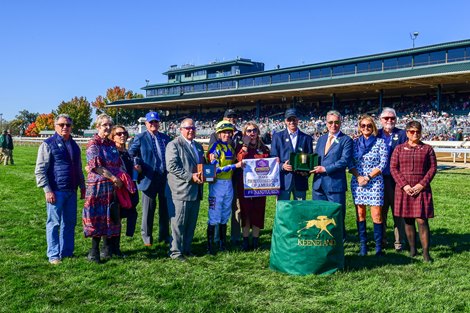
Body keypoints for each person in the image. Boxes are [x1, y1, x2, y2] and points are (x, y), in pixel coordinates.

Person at [83, 114, 136, 263]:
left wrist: (120, 178)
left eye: (109, 125)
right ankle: (94, 252)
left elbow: (118, 163)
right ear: (98, 126)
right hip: (98, 187)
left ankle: (108, 250)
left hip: (113, 187)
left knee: (111, 216)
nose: (107, 127)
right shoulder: (93, 144)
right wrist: (114, 178)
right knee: (97, 217)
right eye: (104, 125)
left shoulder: (111, 145)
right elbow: (97, 167)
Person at [35, 114, 85, 264]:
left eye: (68, 125)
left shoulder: (75, 145)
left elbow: (78, 168)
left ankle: (67, 252)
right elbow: (40, 169)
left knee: (69, 223)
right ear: (55, 126)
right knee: (54, 224)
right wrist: (47, 190)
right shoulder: (47, 144)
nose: (65, 127)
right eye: (62, 124)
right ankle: (54, 255)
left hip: (71, 190)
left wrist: (82, 186)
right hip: (56, 190)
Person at [390, 121, 437, 262]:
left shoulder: (427, 149)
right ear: (407, 133)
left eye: (417, 131)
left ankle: (426, 253)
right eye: (411, 131)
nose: (415, 134)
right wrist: (404, 185)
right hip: (404, 189)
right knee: (408, 220)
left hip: (421, 189)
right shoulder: (398, 149)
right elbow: (393, 168)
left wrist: (421, 185)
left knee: (422, 221)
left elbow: (432, 169)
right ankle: (412, 249)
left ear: (421, 132)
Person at [129, 111, 171, 247]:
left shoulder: (165, 138)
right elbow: (131, 153)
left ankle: (164, 236)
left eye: (156, 122)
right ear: (146, 124)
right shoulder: (140, 138)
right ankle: (147, 237)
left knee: (165, 209)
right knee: (148, 210)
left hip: (164, 177)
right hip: (148, 177)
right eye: (151, 122)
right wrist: (137, 163)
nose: (153, 124)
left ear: (159, 123)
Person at [165, 118, 205, 261]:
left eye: (193, 128)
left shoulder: (198, 146)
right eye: (188, 128)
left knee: (190, 223)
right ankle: (175, 252)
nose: (191, 130)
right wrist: (190, 176)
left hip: (195, 191)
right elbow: (172, 166)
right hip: (180, 191)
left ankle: (187, 249)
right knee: (178, 224)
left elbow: (202, 166)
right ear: (180, 129)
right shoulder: (173, 145)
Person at [349, 115, 388, 256]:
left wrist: (369, 177)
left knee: (376, 214)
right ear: (360, 127)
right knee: (360, 213)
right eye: (363, 126)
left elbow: (382, 163)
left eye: (369, 126)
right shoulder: (354, 143)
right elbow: (350, 163)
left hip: (375, 181)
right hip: (358, 181)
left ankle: (378, 247)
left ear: (373, 127)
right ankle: (363, 245)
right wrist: (359, 177)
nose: (366, 128)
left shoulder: (380, 142)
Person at [311, 110, 353, 241]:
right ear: (326, 123)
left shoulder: (346, 140)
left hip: (335, 184)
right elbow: (316, 158)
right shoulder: (322, 139)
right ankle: (322, 240)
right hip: (318, 184)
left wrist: (325, 169)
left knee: (336, 216)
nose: (333, 125)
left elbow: (344, 161)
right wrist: (306, 168)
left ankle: (340, 240)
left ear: (340, 123)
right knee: (319, 214)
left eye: (336, 122)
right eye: (330, 122)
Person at [206, 121, 243, 254]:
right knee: (214, 214)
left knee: (225, 214)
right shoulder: (214, 148)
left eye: (229, 132)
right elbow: (215, 170)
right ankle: (210, 245)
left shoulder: (231, 148)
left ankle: (222, 243)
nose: (227, 135)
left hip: (228, 184)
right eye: (224, 132)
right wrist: (235, 166)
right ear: (219, 134)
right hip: (217, 185)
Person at [235, 121, 270, 251]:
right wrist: (245, 146)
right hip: (244, 186)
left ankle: (255, 240)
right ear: (244, 133)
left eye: (254, 130)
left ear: (258, 132)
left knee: (258, 212)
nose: (252, 133)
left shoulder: (264, 148)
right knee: (245, 212)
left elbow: (269, 162)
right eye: (249, 131)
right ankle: (245, 240)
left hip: (260, 186)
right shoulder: (240, 147)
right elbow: (239, 160)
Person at [377, 107, 407, 251]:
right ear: (380, 120)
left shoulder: (402, 134)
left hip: (397, 181)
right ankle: (381, 240)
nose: (389, 121)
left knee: (398, 212)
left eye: (392, 118)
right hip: (379, 180)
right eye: (386, 118)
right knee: (380, 212)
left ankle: (398, 242)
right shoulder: (375, 134)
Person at [270, 108, 313, 200]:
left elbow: (310, 159)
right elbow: (273, 157)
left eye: (294, 119)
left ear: (298, 120)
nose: (292, 122)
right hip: (283, 179)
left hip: (300, 180)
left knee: (300, 209)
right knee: (283, 209)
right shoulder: (277, 137)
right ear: (285, 121)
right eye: (289, 119)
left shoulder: (307, 138)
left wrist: (305, 172)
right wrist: (282, 166)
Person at [110, 125, 140, 255]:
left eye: (124, 133)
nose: (122, 135)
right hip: (115, 190)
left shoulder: (127, 153)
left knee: (120, 219)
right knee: (114, 219)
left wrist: (137, 169)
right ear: (113, 137)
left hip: (127, 189)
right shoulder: (112, 152)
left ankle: (116, 248)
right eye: (119, 134)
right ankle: (111, 249)